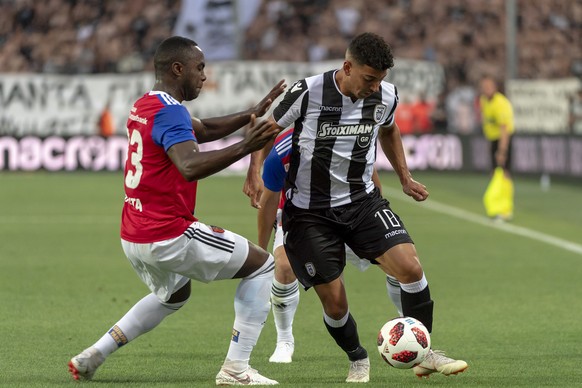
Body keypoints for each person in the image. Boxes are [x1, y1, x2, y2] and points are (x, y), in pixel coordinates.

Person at [245, 32, 468, 383]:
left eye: (381, 80)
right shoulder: (309, 91)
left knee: (409, 267)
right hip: (308, 213)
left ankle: (425, 352)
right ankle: (357, 356)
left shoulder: (386, 95)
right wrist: (254, 170)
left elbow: (389, 130)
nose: (376, 87)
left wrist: (405, 177)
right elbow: (266, 130)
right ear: (347, 67)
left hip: (361, 201)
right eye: (369, 79)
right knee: (335, 304)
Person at [67, 36, 287, 386]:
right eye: (200, 68)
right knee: (263, 266)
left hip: (133, 235)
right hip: (168, 233)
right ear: (177, 68)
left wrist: (251, 113)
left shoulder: (147, 105)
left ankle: (94, 354)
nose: (204, 76)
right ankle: (236, 369)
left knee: (173, 295)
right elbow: (189, 166)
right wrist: (247, 145)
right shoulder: (170, 112)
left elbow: (203, 129)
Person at [257, 127, 404, 364]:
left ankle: (408, 322)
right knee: (283, 267)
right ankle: (284, 341)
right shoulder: (287, 143)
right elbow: (263, 135)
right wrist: (253, 172)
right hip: (302, 215)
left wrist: (374, 214)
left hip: (353, 209)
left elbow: (369, 172)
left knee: (397, 263)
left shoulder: (347, 130)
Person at [479, 76, 515, 221]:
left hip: (503, 140)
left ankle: (506, 209)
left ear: (495, 87)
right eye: (484, 86)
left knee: (504, 173)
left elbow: (504, 129)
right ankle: (497, 207)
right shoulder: (483, 101)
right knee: (495, 173)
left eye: (488, 86)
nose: (486, 89)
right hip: (493, 139)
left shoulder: (500, 103)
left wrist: (502, 151)